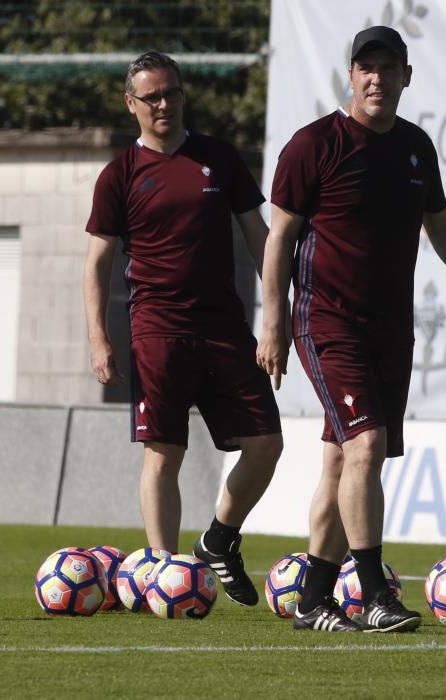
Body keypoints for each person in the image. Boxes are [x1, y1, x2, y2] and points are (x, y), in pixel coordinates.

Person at [257, 26, 446, 632]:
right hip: (325, 322)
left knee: (339, 463)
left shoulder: (415, 148)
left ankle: (313, 602)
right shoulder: (314, 145)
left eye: (387, 67)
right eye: (365, 67)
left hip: (391, 330)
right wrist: (271, 322)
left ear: (406, 76)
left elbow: (441, 226)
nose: (376, 78)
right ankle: (374, 591)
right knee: (366, 447)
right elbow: (279, 241)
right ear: (350, 75)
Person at [83, 51, 283, 607]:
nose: (164, 103)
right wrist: (99, 337)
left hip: (224, 328)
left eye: (172, 92)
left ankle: (219, 538)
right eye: (152, 96)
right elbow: (96, 262)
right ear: (132, 105)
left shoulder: (218, 157)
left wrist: (277, 313)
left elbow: (258, 236)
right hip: (156, 332)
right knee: (163, 453)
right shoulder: (119, 174)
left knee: (267, 445)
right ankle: (164, 574)